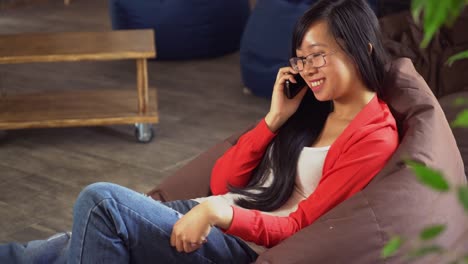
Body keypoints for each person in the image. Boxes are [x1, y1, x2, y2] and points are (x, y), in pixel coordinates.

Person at [0, 0, 399, 263]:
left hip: (240, 241)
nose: (308, 68)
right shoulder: (308, 111)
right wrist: (273, 120)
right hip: (219, 213)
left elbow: (299, 227)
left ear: (362, 48)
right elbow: (224, 179)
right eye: (301, 58)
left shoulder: (374, 136)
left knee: (101, 203)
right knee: (55, 247)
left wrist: (215, 212)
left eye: (319, 56)